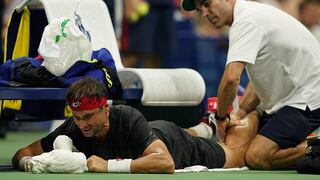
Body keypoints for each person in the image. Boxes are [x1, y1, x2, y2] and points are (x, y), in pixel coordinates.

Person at [12, 77, 259, 173]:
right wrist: (29, 163)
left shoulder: (127, 117)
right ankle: (207, 126)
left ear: (105, 110)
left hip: (175, 145)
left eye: (88, 117)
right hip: (152, 132)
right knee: (155, 135)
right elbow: (22, 153)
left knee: (238, 155)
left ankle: (253, 109)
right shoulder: (73, 127)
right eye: (77, 117)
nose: (82, 124)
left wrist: (108, 165)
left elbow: (165, 162)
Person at [181, 0, 320, 170]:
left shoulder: (245, 21)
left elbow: (231, 78)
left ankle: (316, 149)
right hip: (295, 98)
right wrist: (240, 113)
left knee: (257, 157)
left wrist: (221, 118)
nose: (204, 13)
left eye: (207, 3)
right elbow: (260, 81)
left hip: (309, 99)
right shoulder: (251, 15)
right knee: (250, 147)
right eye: (199, 9)